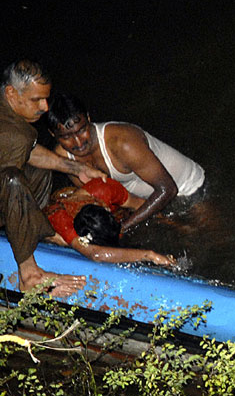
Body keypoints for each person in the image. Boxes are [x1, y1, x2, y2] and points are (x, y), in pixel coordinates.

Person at [1, 60, 104, 296]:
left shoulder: (12, 118)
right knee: (13, 180)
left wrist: (76, 168)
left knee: (39, 170)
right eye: (36, 100)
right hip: (8, 186)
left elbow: (31, 152)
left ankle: (40, 232)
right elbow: (9, 184)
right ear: (11, 93)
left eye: (46, 99)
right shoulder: (13, 133)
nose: (45, 107)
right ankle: (29, 275)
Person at [46, 92, 205, 232]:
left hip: (190, 190)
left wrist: (122, 227)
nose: (78, 142)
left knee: (207, 235)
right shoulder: (62, 159)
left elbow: (168, 189)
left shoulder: (122, 143)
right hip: (144, 201)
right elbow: (99, 198)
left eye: (81, 130)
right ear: (53, 134)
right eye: (66, 137)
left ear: (88, 118)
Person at [43, 177, 175, 266]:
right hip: (63, 232)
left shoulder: (104, 189)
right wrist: (149, 255)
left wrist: (173, 224)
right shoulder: (60, 219)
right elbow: (96, 254)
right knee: (59, 240)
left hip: (113, 220)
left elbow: (141, 205)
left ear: (106, 208)